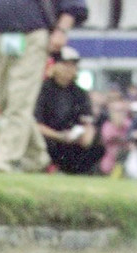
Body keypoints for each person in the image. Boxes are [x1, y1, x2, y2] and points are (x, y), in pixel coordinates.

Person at [0, 0, 89, 172]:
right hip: (1, 37)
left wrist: (61, 30)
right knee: (7, 104)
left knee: (19, 102)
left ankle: (2, 162)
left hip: (33, 34)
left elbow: (73, 4)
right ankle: (36, 157)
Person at [34, 46, 104, 174]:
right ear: (55, 66)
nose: (69, 69)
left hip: (73, 140)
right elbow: (36, 124)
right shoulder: (43, 90)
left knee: (97, 146)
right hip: (50, 138)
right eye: (65, 64)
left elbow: (87, 120)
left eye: (73, 65)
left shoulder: (79, 93)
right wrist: (59, 136)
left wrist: (87, 136)